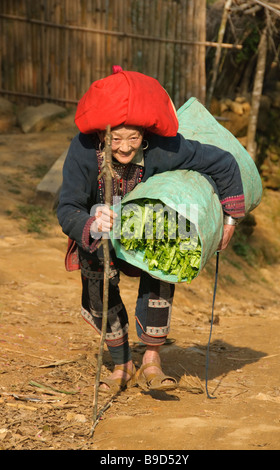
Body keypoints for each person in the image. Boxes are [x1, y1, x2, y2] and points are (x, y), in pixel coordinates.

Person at [57, 66, 245, 393]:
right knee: (97, 274)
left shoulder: (162, 148)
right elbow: (66, 207)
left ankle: (152, 360)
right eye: (116, 139)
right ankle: (121, 362)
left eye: (134, 138)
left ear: (145, 136)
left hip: (147, 234)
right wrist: (90, 222)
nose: (126, 148)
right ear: (102, 135)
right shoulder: (83, 151)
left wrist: (230, 217)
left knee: (169, 247)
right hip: (101, 233)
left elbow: (223, 162)